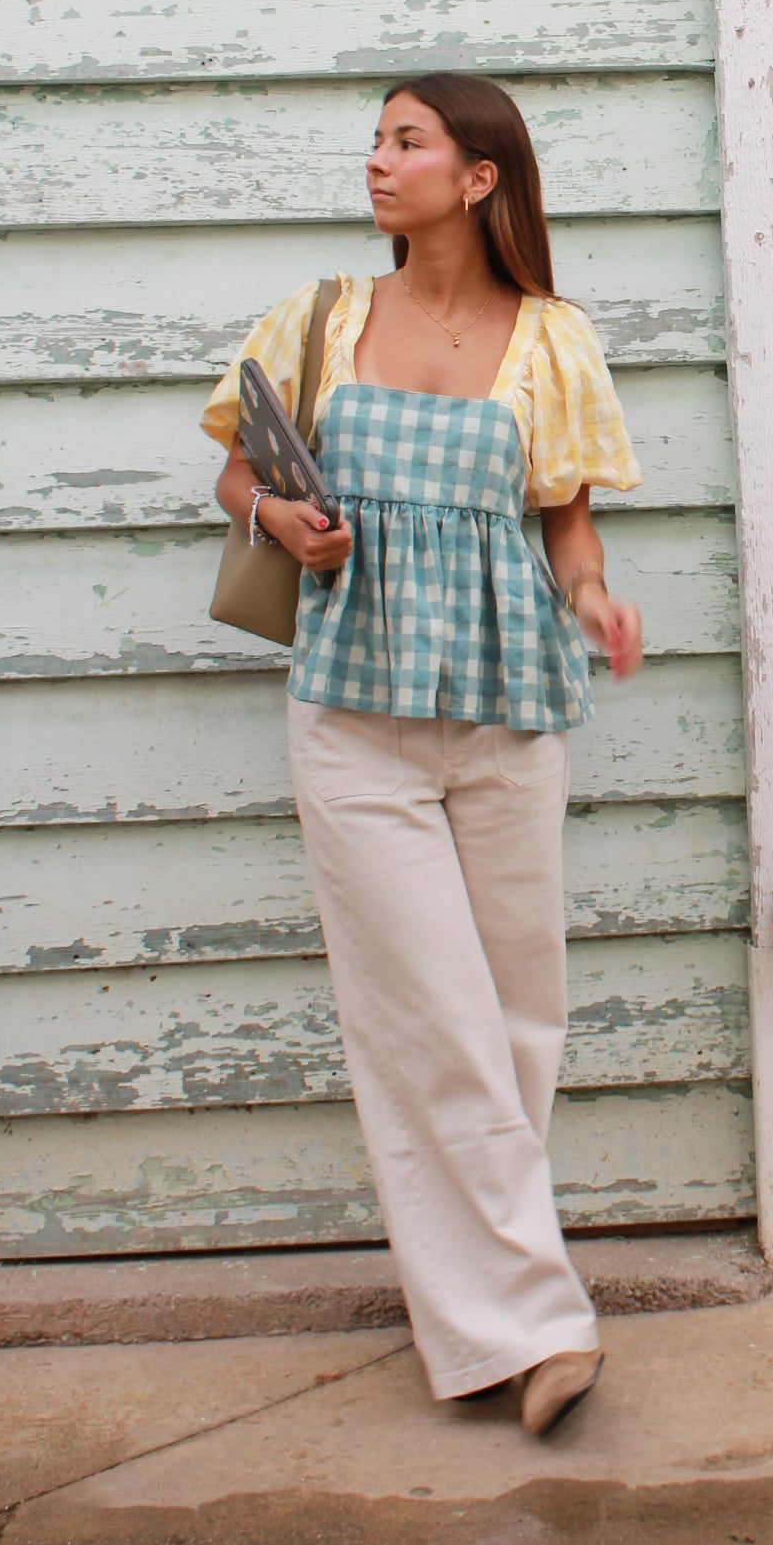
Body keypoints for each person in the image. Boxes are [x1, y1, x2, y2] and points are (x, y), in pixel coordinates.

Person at [202, 73, 644, 1435]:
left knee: (519, 1019)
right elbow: (233, 472)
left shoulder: (552, 338)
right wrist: (280, 520)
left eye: (408, 141)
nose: (378, 161)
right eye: (379, 140)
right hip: (354, 713)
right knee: (430, 1022)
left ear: (480, 177)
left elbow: (564, 522)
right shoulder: (326, 317)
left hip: (511, 702)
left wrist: (594, 603)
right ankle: (543, 1321)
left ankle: (483, 1328)